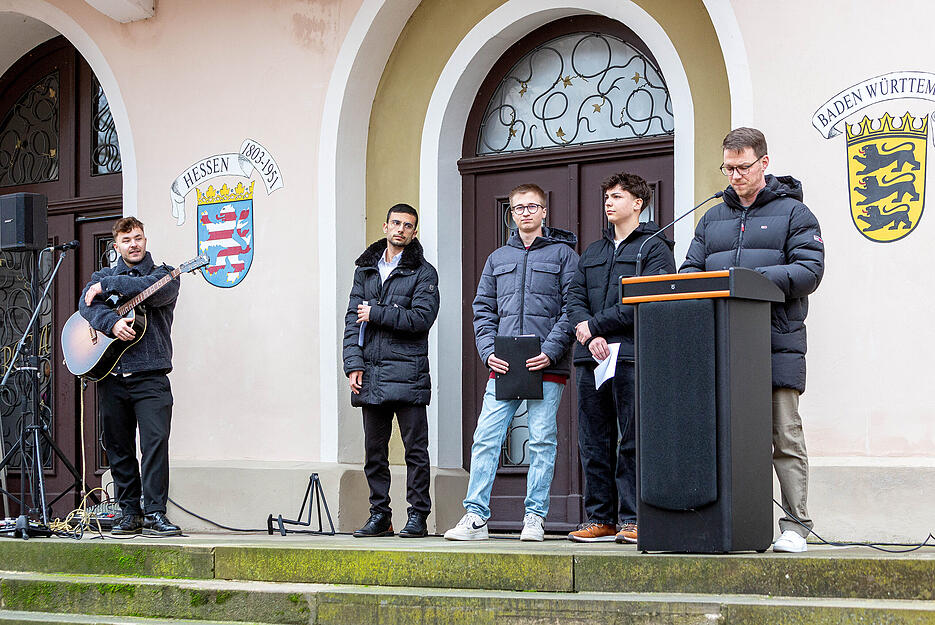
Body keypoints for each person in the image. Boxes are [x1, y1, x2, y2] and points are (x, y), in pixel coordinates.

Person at [680, 127, 824, 553]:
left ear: (764, 163)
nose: (735, 176)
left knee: (785, 436)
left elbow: (809, 271)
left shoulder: (796, 214)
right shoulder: (713, 217)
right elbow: (690, 271)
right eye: (728, 168)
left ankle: (796, 525)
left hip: (774, 342)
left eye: (743, 167)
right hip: (722, 347)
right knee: (727, 438)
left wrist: (748, 282)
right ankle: (737, 522)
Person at [444, 183, 578, 542]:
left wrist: (550, 350)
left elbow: (572, 308)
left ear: (545, 211)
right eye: (518, 208)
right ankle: (475, 517)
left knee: (541, 441)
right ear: (512, 214)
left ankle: (534, 518)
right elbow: (482, 309)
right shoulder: (497, 259)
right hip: (503, 365)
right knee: (486, 438)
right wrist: (488, 351)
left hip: (546, 364)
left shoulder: (564, 256)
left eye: (532, 206)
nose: (525, 213)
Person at [566, 173, 675, 544]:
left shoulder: (655, 249)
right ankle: (600, 518)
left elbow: (645, 300)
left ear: (638, 203)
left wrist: (595, 325)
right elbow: (574, 297)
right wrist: (586, 329)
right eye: (607, 197)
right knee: (593, 441)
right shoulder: (592, 252)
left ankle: (633, 518)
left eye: (618, 196)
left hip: (630, 356)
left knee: (631, 439)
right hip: (589, 359)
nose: (609, 203)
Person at [79, 217, 181, 536]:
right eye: (126, 240)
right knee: (118, 446)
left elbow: (150, 291)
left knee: (154, 443)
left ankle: (154, 513)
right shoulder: (103, 275)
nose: (133, 244)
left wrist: (111, 285)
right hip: (112, 376)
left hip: (150, 376)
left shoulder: (164, 275)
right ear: (116, 246)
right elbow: (86, 306)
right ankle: (130, 512)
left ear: (145, 240)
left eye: (137, 238)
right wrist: (110, 324)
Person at [343, 203, 440, 538]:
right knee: (374, 453)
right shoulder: (365, 271)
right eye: (396, 223)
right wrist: (352, 365)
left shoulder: (424, 273)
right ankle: (380, 516)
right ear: (385, 226)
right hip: (370, 373)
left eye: (408, 225)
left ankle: (418, 517)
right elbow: (351, 321)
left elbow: (421, 320)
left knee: (415, 451)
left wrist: (378, 313)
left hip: (409, 374)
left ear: (414, 232)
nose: (401, 229)